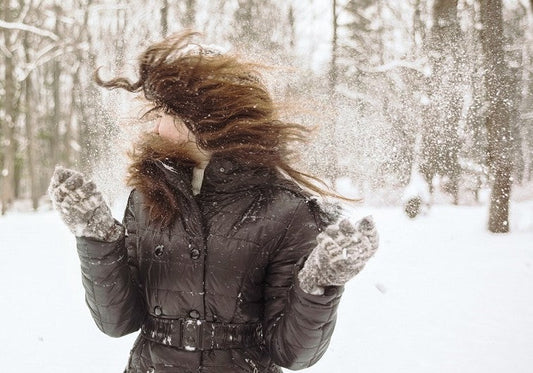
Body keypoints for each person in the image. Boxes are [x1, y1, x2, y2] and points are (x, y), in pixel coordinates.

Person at [48, 31, 379, 373]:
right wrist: (96, 237)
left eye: (165, 113)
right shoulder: (147, 198)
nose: (157, 127)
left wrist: (318, 283)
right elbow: (117, 321)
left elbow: (293, 354)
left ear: (203, 117)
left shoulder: (286, 210)